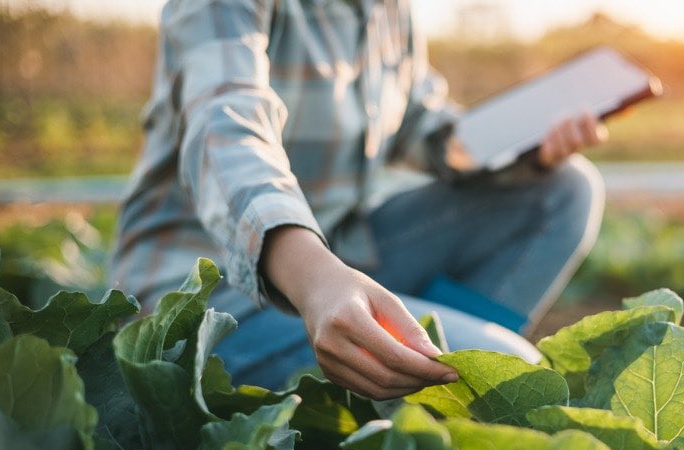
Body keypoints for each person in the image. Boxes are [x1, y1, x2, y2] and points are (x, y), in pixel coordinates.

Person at [110, 0, 607, 400]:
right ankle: (410, 394)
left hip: (341, 260)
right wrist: (316, 279)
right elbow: (226, 129)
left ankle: (402, 387)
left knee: (562, 190)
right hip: (207, 298)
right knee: (510, 370)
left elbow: (422, 126)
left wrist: (526, 143)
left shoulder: (388, 10)